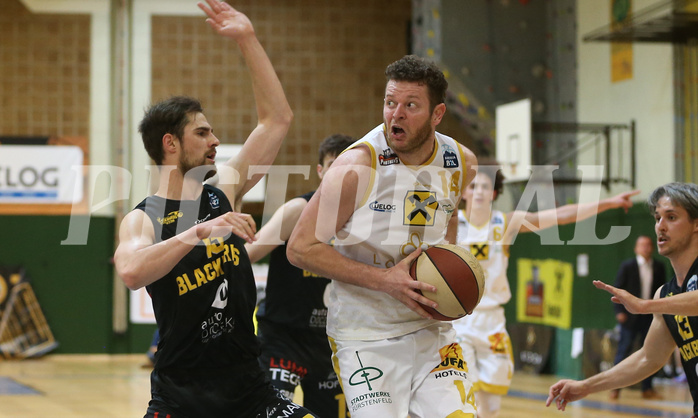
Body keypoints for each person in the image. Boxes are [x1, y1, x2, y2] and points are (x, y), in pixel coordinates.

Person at [113, 2, 319, 417]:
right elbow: (132, 272)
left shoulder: (223, 189)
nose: (215, 139)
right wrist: (195, 233)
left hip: (249, 389)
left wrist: (247, 39)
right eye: (202, 132)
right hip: (183, 396)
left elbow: (277, 119)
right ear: (170, 143)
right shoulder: (142, 217)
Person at [287, 55, 479, 417]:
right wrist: (385, 281)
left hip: (430, 330)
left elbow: (447, 222)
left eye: (410, 105)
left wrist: (452, 263)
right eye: (390, 103)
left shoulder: (461, 162)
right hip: (365, 334)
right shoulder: (354, 167)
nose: (396, 114)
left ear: (437, 114)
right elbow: (300, 248)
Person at [454, 161, 638, 418]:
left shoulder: (505, 223)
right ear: (463, 192)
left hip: (492, 321)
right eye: (473, 186)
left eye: (486, 186)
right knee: (461, 391)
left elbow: (562, 215)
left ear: (495, 193)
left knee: (491, 403)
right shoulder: (451, 225)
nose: (480, 191)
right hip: (459, 319)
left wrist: (609, 203)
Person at [547, 182, 698, 416]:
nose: (660, 226)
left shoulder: (658, 301)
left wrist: (645, 305)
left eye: (671, 217)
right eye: (657, 218)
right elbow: (647, 359)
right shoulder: (666, 295)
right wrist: (586, 386)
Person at [245, 134, 355, 417]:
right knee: (270, 412)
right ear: (320, 171)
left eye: (347, 166)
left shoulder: (363, 221)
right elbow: (247, 256)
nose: (339, 173)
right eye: (333, 165)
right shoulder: (297, 210)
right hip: (284, 338)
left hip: (330, 341)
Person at [609, 235, 666, 400]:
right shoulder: (628, 266)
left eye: (649, 245)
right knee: (623, 351)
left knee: (650, 353)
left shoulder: (659, 267)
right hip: (629, 317)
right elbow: (617, 288)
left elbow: (662, 291)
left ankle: (647, 388)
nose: (646, 248)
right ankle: (615, 388)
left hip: (650, 317)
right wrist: (619, 311)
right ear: (636, 248)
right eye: (642, 245)